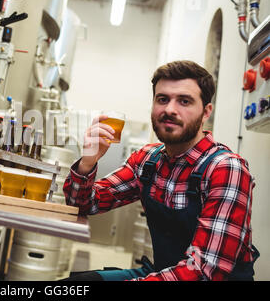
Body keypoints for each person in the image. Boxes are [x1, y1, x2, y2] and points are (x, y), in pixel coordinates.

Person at [62, 60, 259, 281]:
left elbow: (204, 272)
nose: (169, 110)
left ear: (206, 112)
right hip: (162, 273)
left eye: (184, 101)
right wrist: (88, 163)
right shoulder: (148, 160)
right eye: (162, 99)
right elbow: (83, 204)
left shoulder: (226, 169)